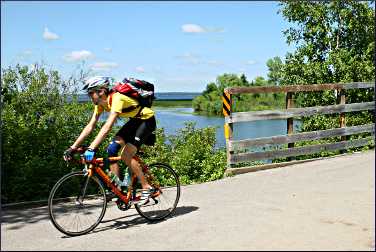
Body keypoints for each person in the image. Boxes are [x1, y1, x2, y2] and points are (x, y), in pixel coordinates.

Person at [63, 76, 156, 204]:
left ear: (101, 91)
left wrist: (91, 148)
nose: (90, 97)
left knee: (126, 155)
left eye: (91, 93)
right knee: (111, 149)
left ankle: (147, 187)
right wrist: (72, 148)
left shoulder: (117, 98)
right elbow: (90, 126)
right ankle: (117, 189)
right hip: (134, 122)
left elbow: (107, 126)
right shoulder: (100, 104)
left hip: (146, 121)